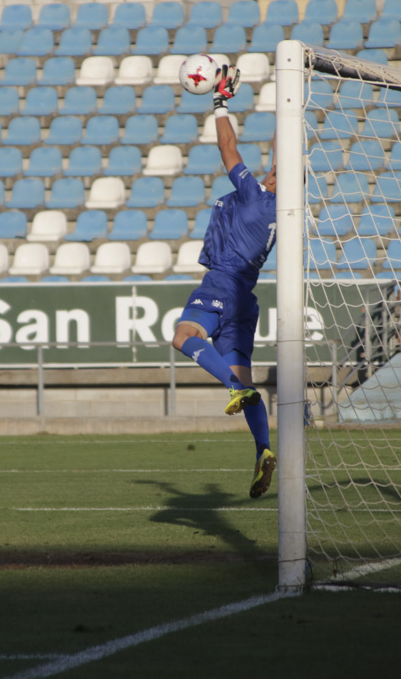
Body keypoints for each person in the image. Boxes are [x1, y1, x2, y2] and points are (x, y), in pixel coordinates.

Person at [171, 65, 288, 500]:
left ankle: (234, 390)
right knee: (245, 375)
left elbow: (227, 147)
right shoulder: (280, 214)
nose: (270, 170)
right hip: (246, 298)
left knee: (184, 334)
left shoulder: (256, 197)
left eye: (275, 171)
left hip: (222, 282)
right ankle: (264, 450)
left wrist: (219, 103)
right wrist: (285, 109)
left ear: (276, 183)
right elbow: (280, 151)